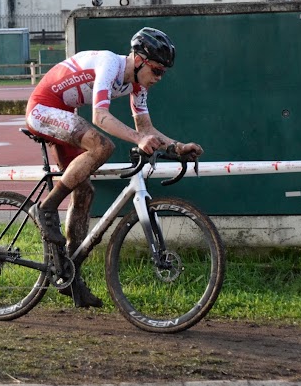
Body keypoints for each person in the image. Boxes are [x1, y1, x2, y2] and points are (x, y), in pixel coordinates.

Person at [25, 27, 203, 308]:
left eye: (163, 74)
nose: (158, 78)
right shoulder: (110, 63)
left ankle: (70, 275)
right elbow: (100, 116)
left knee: (84, 192)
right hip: (43, 108)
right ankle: (45, 208)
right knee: (103, 146)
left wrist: (176, 147)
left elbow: (145, 128)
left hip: (64, 113)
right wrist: (138, 139)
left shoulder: (138, 86)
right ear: (139, 60)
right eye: (156, 71)